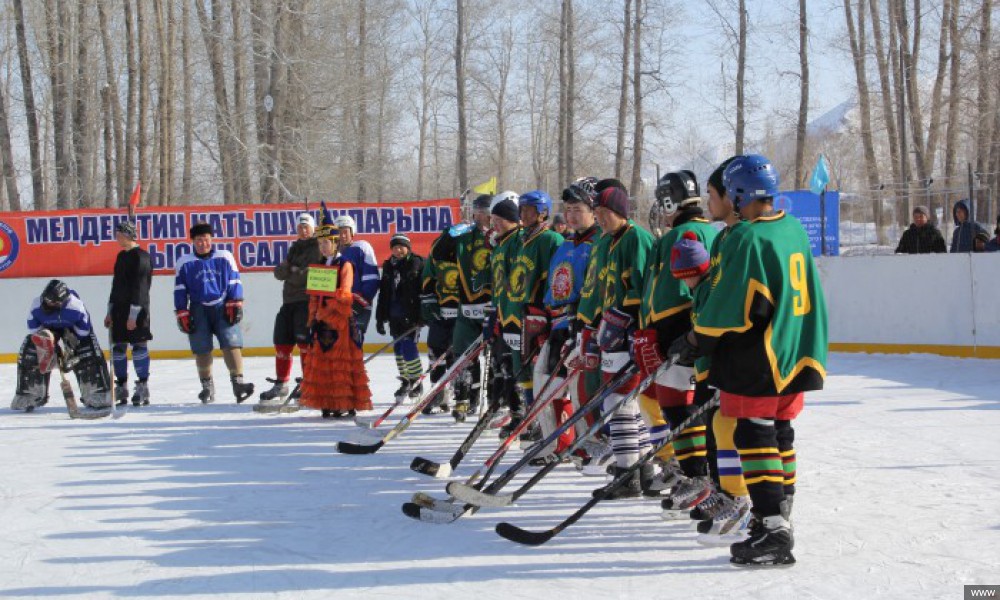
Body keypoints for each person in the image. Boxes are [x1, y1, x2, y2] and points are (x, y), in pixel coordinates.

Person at [688, 154, 828, 567]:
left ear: (738, 194)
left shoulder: (749, 238)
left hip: (762, 356)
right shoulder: (789, 227)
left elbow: (734, 307)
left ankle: (773, 530)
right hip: (794, 350)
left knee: (755, 436)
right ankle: (779, 519)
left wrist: (696, 336)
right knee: (780, 434)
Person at [634, 170, 718, 507]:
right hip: (701, 335)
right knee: (694, 409)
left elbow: (664, 297)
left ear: (671, 200)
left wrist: (651, 333)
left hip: (678, 337)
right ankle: (698, 473)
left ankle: (694, 475)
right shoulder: (712, 231)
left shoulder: (676, 237)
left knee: (677, 408)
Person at [588, 180, 657, 499]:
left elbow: (644, 289)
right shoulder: (606, 242)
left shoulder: (637, 239)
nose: (599, 218)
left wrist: (629, 325)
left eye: (604, 212)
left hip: (631, 334)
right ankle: (641, 468)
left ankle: (627, 475)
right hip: (611, 333)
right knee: (620, 401)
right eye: (596, 212)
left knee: (619, 402)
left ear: (620, 211)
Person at [531, 178, 601, 464]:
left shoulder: (600, 243)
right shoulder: (565, 244)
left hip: (583, 326)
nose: (571, 215)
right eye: (568, 209)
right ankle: (559, 444)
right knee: (546, 386)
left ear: (594, 210)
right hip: (558, 325)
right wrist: (543, 322)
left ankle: (588, 444)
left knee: (580, 388)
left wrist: (580, 321)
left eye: (577, 209)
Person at [505, 189, 564, 439]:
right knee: (525, 371)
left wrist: (549, 317)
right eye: (521, 210)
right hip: (523, 315)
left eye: (529, 210)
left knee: (544, 374)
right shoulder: (521, 240)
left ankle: (550, 426)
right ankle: (533, 419)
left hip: (543, 317)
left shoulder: (551, 240)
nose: (523, 215)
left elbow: (558, 279)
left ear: (542, 213)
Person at [174, 222, 254, 404]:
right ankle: (207, 387)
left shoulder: (225, 257)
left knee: (231, 343)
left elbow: (235, 280)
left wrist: (236, 302)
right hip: (197, 308)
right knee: (201, 349)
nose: (203, 243)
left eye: (206, 239)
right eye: (199, 240)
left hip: (223, 305)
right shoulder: (184, 262)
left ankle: (238, 383)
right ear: (193, 241)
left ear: (212, 239)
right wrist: (182, 311)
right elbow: (180, 289)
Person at [299, 220, 373, 418]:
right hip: (322, 322)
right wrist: (313, 318)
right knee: (324, 364)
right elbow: (315, 296)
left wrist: (325, 314)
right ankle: (328, 401)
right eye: (320, 243)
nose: (322, 247)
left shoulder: (345, 264)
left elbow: (345, 294)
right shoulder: (320, 265)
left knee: (339, 363)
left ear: (335, 243)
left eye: (326, 243)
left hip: (339, 321)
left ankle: (344, 403)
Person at [432, 193, 494, 421]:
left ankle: (496, 401)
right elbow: (438, 254)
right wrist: (450, 233)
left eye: (486, 212)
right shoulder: (465, 235)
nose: (481, 216)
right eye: (478, 211)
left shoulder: (502, 236)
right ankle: (465, 397)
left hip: (492, 304)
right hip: (467, 303)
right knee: (463, 355)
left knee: (497, 358)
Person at [13, 280, 112, 411]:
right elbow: (34, 332)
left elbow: (83, 332)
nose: (46, 304)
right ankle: (29, 395)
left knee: (88, 350)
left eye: (51, 302)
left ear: (61, 302)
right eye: (46, 299)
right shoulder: (36, 305)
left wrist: (70, 347)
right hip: (48, 331)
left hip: (73, 332)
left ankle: (97, 393)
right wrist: (52, 346)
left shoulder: (76, 307)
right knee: (30, 349)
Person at [259, 213, 322, 407]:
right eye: (300, 227)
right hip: (288, 302)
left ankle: (308, 383)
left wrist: (293, 271)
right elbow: (279, 272)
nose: (303, 230)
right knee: (282, 342)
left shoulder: (317, 247)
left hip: (305, 301)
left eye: (306, 227)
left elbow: (309, 275)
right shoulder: (294, 247)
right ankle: (281, 384)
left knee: (304, 343)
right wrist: (293, 270)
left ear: (313, 229)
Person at [484, 191, 523, 433]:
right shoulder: (500, 246)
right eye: (493, 219)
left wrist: (506, 312)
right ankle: (508, 408)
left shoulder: (517, 241)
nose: (494, 223)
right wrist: (493, 314)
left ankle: (519, 412)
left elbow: (515, 282)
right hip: (501, 312)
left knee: (513, 366)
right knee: (501, 365)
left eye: (500, 219)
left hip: (515, 315)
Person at [105, 220, 153, 406]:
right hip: (119, 309)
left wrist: (134, 315)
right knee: (118, 347)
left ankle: (142, 386)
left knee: (139, 346)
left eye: (119, 233)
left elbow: (141, 288)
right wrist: (110, 310)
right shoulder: (121, 256)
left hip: (137, 309)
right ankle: (121, 385)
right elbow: (116, 285)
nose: (116, 237)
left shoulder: (141, 257)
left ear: (128, 234)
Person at [376, 233, 425, 403]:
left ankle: (416, 382)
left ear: (408, 247)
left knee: (409, 347)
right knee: (398, 349)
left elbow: (424, 290)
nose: (398, 250)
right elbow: (384, 293)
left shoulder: (416, 262)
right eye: (395, 247)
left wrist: (422, 314)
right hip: (394, 315)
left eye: (401, 246)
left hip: (410, 316)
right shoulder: (389, 265)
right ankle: (406, 381)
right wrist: (380, 318)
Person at [420, 229, 461, 414]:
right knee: (435, 353)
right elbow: (428, 279)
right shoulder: (437, 251)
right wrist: (428, 302)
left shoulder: (466, 251)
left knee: (457, 355)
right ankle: (437, 393)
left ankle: (457, 393)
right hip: (441, 313)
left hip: (461, 315)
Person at [335, 215, 380, 342]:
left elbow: (372, 279)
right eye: (339, 232)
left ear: (352, 232)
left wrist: (360, 302)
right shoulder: (331, 253)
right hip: (336, 307)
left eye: (345, 232)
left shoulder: (361, 247)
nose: (342, 236)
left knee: (353, 344)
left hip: (358, 306)